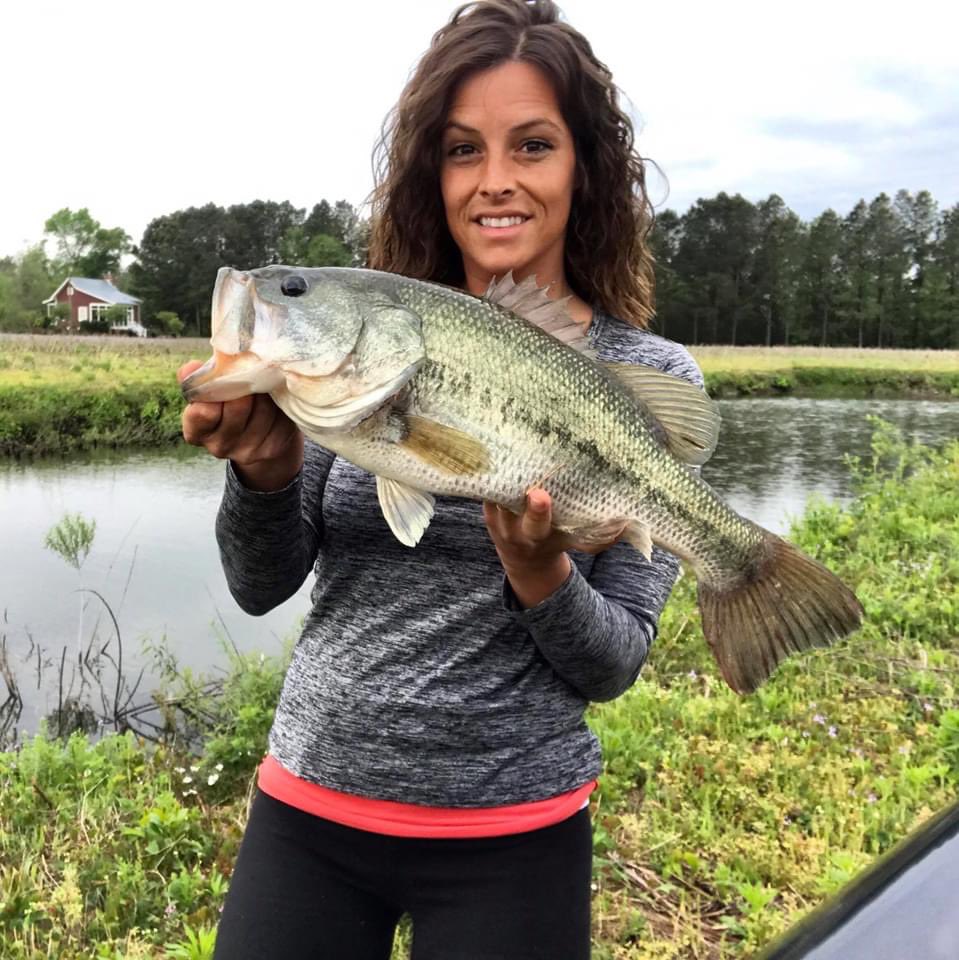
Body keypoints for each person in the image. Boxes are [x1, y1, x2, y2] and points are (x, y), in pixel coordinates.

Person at [179, 2, 703, 957]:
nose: (494, 181)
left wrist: (541, 576)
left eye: (532, 146)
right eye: (462, 151)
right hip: (312, 809)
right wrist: (263, 473)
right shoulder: (359, 358)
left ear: (583, 168)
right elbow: (260, 589)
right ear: (432, 173)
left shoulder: (651, 376)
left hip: (518, 831)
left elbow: (612, 664)